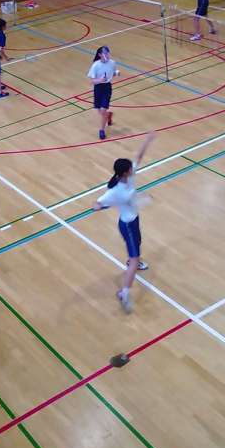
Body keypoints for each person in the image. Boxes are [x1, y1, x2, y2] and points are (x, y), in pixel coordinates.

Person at [93, 133, 155, 313]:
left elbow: (139, 157)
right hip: (127, 225)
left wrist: (147, 140)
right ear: (125, 172)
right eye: (130, 168)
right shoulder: (114, 191)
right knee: (134, 261)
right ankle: (124, 293)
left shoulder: (130, 176)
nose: (133, 169)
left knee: (138, 243)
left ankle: (133, 260)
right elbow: (96, 203)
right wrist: (100, 206)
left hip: (134, 220)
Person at [87, 46, 120, 140]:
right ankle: (108, 115)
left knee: (102, 110)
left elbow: (112, 72)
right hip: (98, 88)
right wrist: (100, 80)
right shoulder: (96, 65)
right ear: (100, 55)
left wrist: (116, 73)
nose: (107, 55)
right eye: (105, 53)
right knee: (100, 111)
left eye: (108, 53)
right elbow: (92, 81)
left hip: (107, 88)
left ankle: (102, 130)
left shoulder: (112, 63)